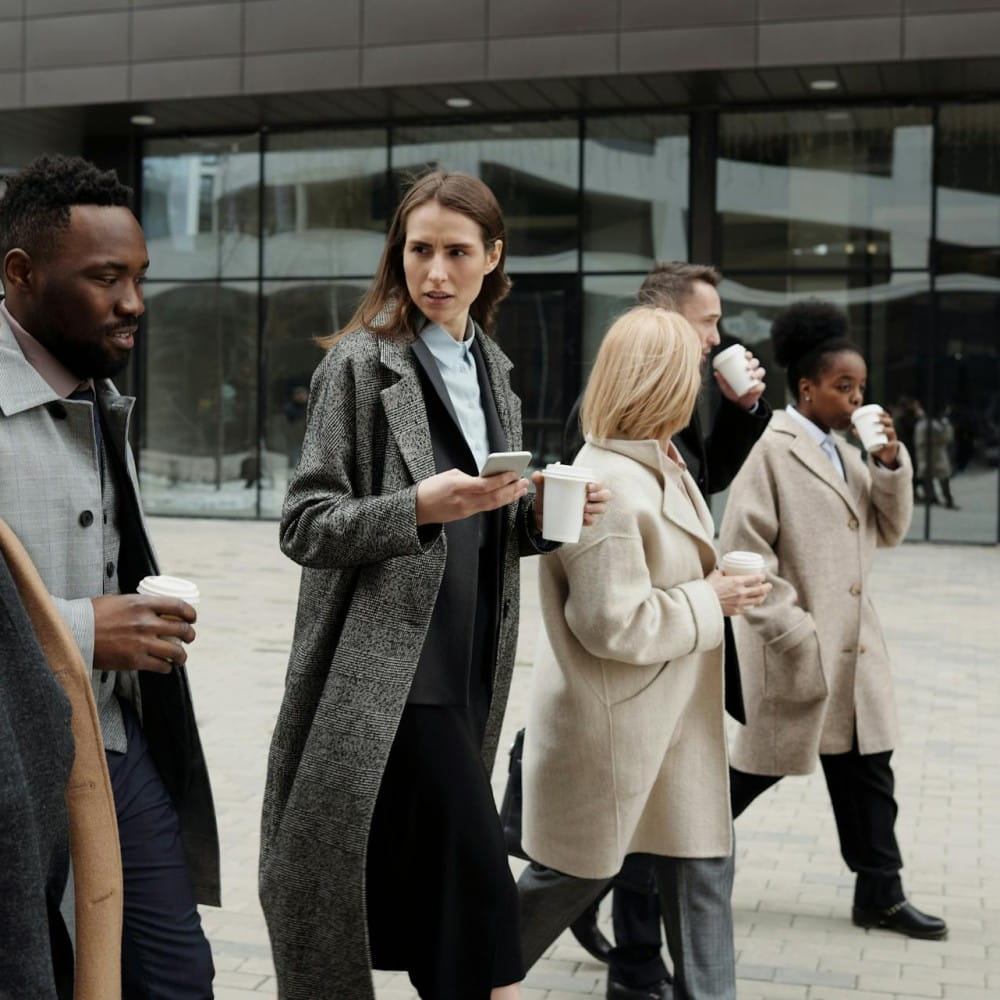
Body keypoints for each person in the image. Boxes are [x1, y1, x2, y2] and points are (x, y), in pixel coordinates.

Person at [258, 169, 609, 1000]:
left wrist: (540, 517)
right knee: (481, 913)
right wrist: (416, 506)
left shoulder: (494, 370)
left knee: (438, 907)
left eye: (457, 252)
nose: (436, 272)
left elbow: (486, 525)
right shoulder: (360, 363)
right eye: (420, 250)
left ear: (493, 256)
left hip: (472, 662)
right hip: (391, 679)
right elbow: (305, 523)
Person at [0, 154, 219, 998]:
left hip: (116, 747)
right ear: (21, 274)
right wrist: (88, 630)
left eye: (139, 276)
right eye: (105, 277)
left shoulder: (97, 391)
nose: (134, 302)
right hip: (16, 763)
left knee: (178, 977)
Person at [517, 306, 771, 1000]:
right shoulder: (604, 481)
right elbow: (611, 624)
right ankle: (465, 977)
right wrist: (711, 599)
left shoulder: (660, 461)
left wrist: (720, 593)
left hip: (672, 725)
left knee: (705, 872)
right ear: (662, 380)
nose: (698, 382)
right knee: (565, 881)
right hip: (617, 731)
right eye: (691, 369)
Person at [719, 298, 947, 942]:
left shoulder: (846, 455)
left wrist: (889, 462)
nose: (856, 399)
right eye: (843, 387)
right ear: (806, 388)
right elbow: (742, 551)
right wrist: (794, 630)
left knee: (870, 773)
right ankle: (643, 874)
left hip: (855, 658)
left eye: (861, 388)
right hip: (798, 654)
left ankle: (882, 894)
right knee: (746, 778)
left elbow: (890, 531)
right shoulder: (770, 449)